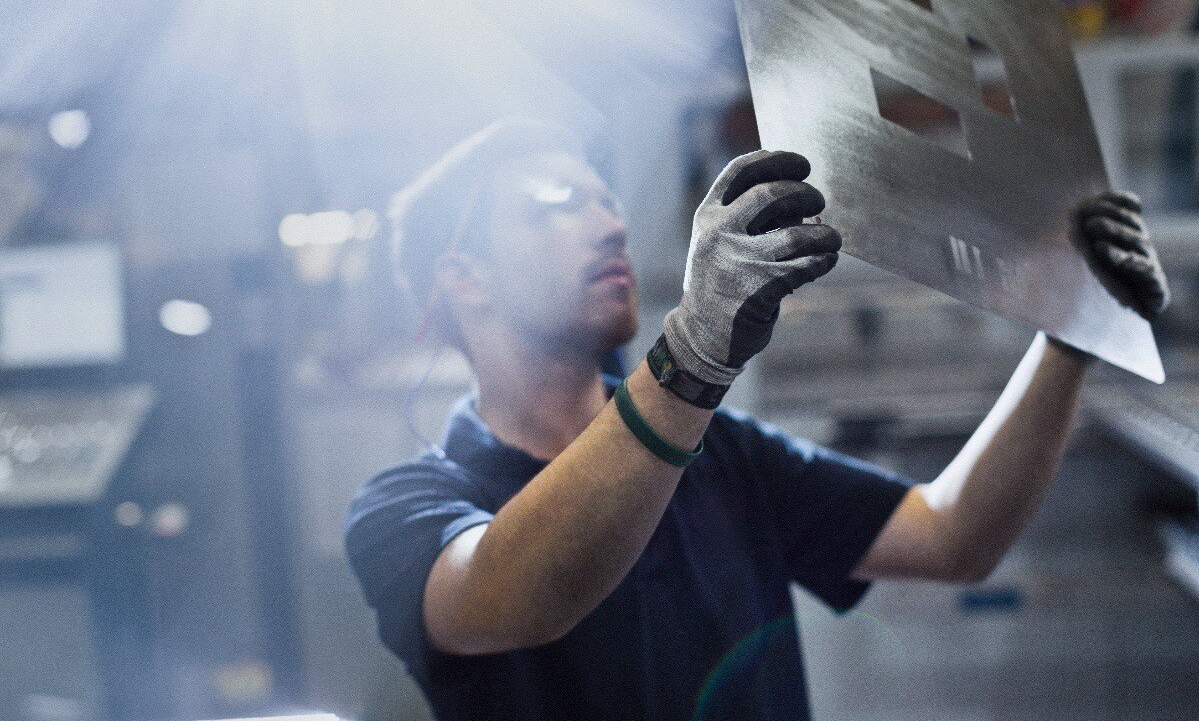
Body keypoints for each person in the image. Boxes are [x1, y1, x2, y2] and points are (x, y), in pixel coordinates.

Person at [344, 119, 1170, 721]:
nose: (612, 223)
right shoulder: (405, 509)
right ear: (464, 278)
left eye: (607, 199)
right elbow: (514, 595)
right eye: (559, 204)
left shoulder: (720, 452)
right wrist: (694, 353)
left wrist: (1067, 337)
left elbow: (953, 535)